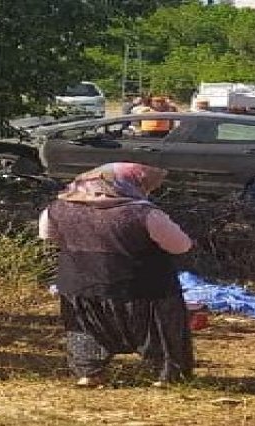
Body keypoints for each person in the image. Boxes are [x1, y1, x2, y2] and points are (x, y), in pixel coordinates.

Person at [38, 162, 194, 387]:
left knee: (86, 331)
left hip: (81, 284)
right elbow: (181, 246)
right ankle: (168, 376)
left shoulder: (57, 209)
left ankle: (88, 374)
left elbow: (48, 236)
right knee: (159, 331)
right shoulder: (144, 213)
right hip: (142, 288)